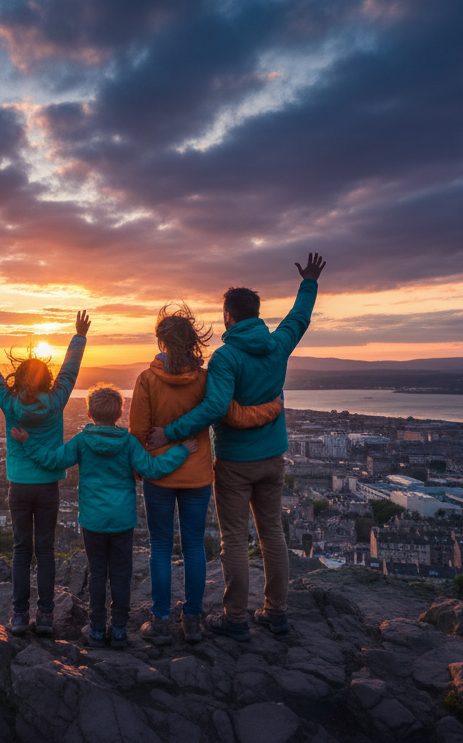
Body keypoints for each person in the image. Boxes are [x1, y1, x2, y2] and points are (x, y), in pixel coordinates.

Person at [147, 253, 326, 639]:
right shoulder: (278, 345)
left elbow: (214, 407)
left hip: (234, 461)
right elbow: (299, 318)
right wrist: (308, 282)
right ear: (256, 314)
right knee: (272, 534)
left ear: (228, 316)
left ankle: (236, 619)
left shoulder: (226, 356)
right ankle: (276, 613)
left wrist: (171, 432)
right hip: (273, 458)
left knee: (233, 538)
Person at [129, 304, 286, 645]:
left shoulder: (146, 380)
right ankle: (193, 621)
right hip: (198, 476)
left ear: (161, 341)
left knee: (159, 546)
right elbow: (225, 411)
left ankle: (159, 621)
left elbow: (137, 434)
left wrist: (142, 468)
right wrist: (273, 406)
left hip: (158, 475)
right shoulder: (205, 378)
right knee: (194, 548)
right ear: (192, 341)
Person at [11, 384, 196, 648]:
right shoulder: (129, 442)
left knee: (98, 574)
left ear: (89, 413)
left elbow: (52, 460)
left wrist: (27, 442)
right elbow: (153, 469)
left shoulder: (82, 441)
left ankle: (97, 629)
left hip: (93, 521)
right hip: (122, 520)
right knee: (121, 574)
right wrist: (182, 450)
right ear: (120, 413)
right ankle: (119, 630)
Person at [0, 311, 89, 637]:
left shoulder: (10, 403)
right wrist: (78, 337)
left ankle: (20, 616)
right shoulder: (57, 401)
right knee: (46, 551)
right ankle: (46, 615)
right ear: (47, 380)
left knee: (22, 550)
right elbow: (70, 372)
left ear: (18, 379)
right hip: (48, 485)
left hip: (19, 485)